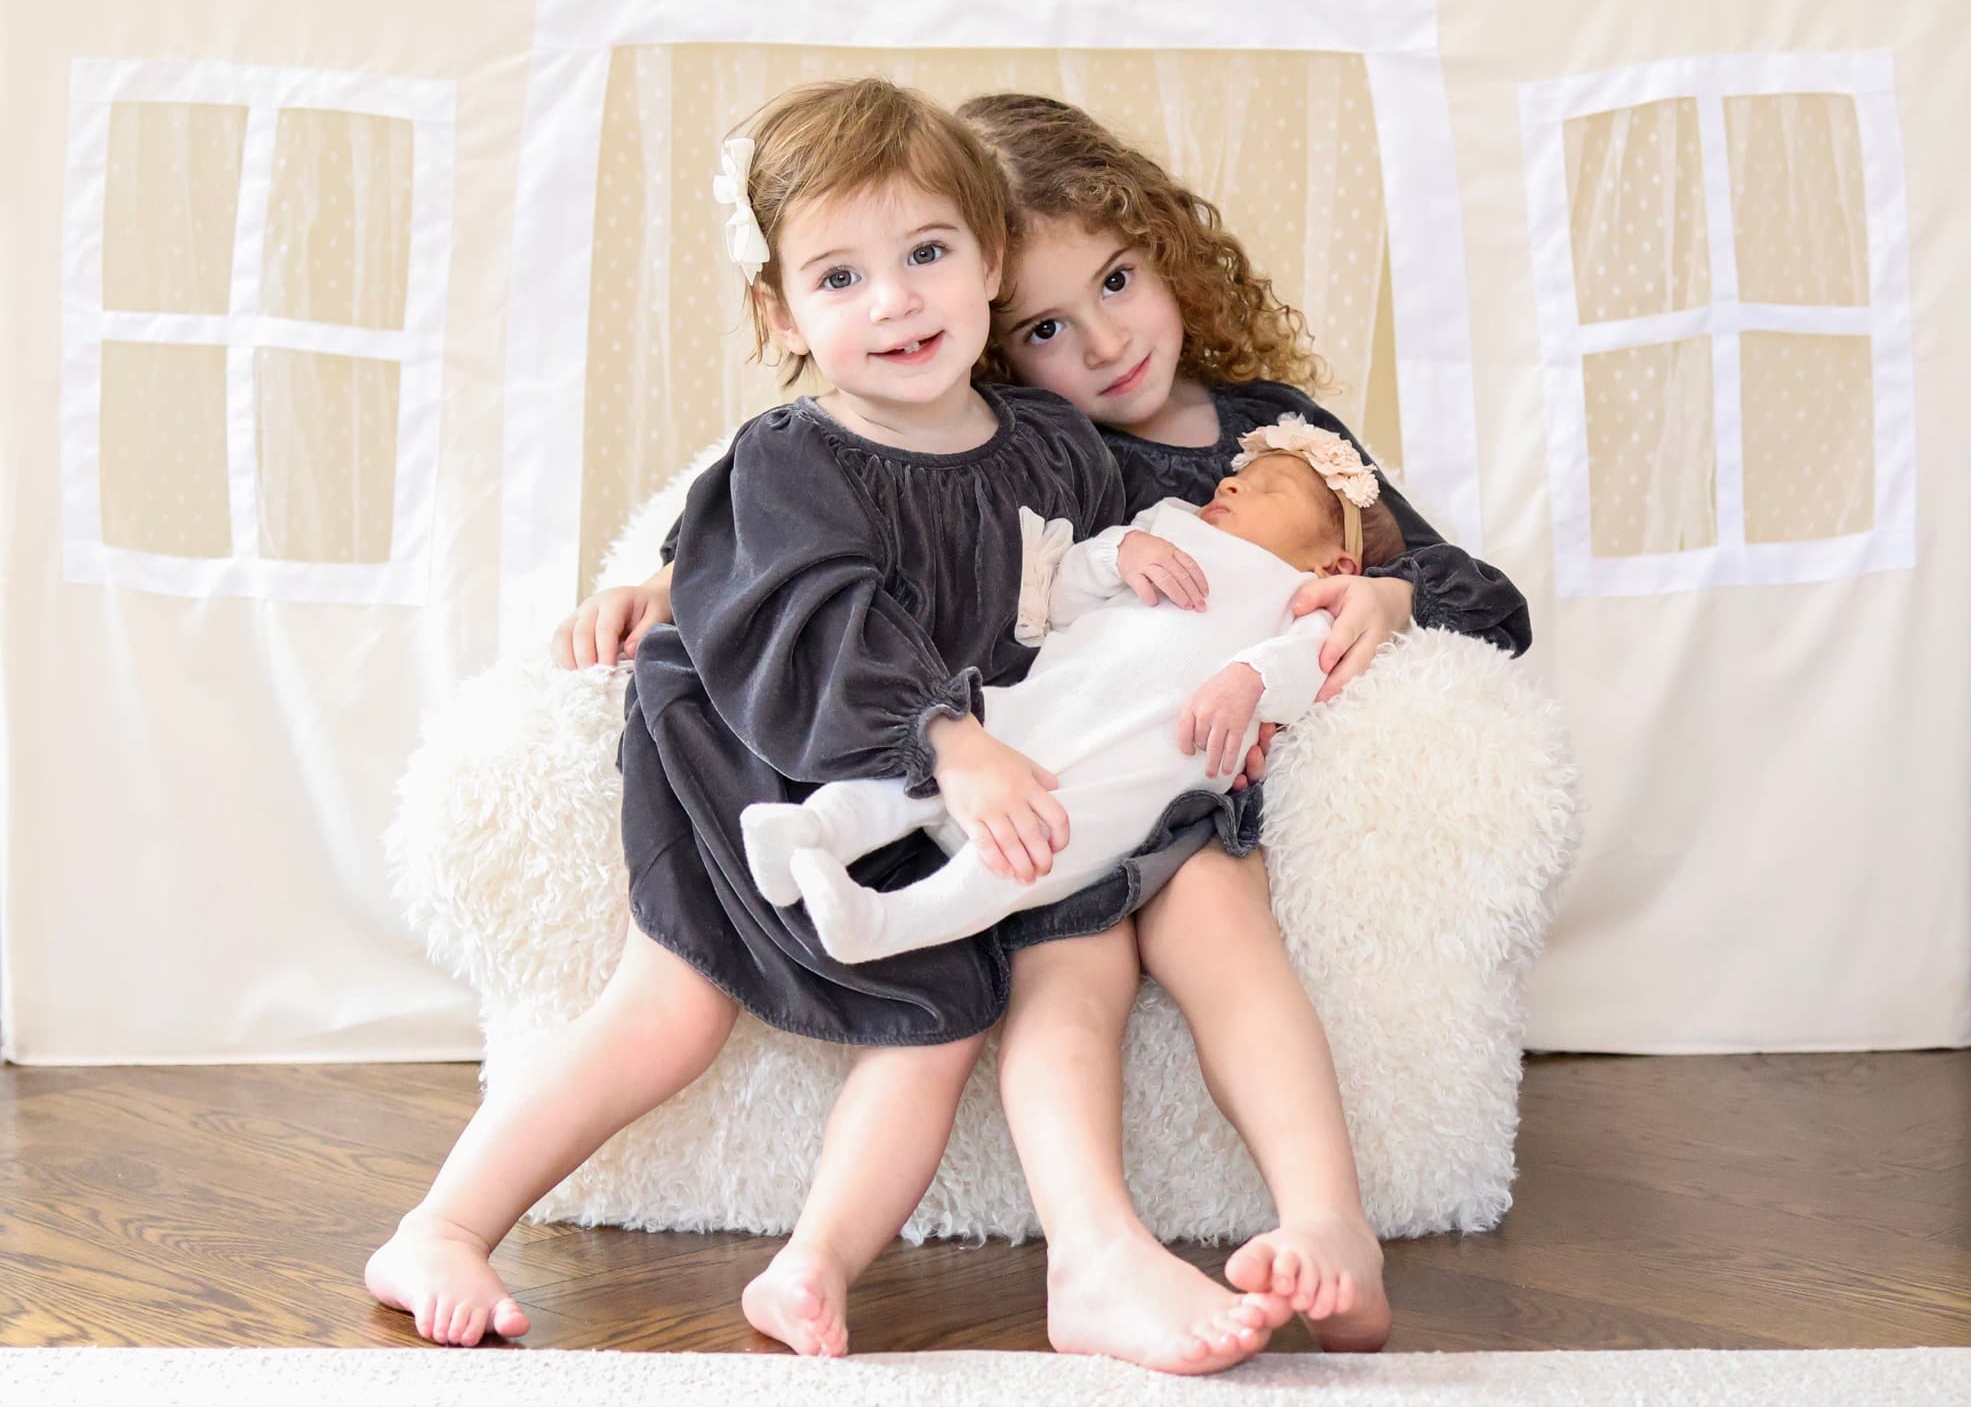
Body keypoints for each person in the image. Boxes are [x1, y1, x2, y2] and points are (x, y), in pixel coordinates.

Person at [367, 78, 1291, 1367]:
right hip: (757, 750)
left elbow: (1098, 567)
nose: (896, 300)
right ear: (781, 311)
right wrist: (945, 739)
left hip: (928, 786)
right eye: (840, 276)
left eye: (926, 254)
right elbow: (804, 607)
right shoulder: (796, 454)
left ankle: (811, 1264)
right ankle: (443, 1223)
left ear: (985, 261)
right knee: (671, 1010)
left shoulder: (1050, 447)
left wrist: (1135, 559)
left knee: (946, 1013)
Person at [942, 92, 1534, 1360]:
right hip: (1074, 786)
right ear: (993, 352)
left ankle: (1330, 1226)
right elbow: (848, 519)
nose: (1102, 342)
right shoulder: (1032, 453)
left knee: (1225, 938)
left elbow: (1491, 601)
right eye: (1046, 325)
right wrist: (676, 577)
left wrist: (1386, 590)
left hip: (1204, 792)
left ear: (1165, 250)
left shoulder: (1286, 440)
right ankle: (1092, 1255)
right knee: (1067, 973)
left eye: (1116, 279)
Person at [740, 415, 1408, 965]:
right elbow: (1060, 598)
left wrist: (1249, 680)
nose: (1234, 489)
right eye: (1240, 477)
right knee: (934, 768)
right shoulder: (1168, 522)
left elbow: (1309, 668)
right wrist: (1119, 554)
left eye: (1269, 491)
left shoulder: (1307, 599)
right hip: (1052, 700)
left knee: (1035, 851)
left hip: (1139, 768)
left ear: (1336, 563)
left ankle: (882, 924)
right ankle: (810, 831)